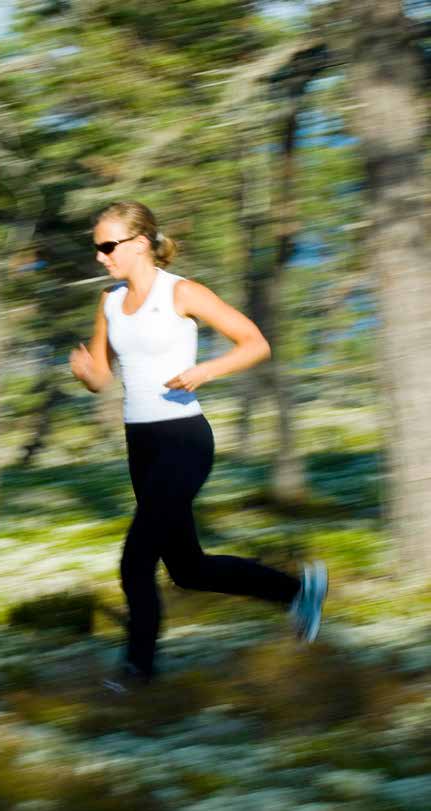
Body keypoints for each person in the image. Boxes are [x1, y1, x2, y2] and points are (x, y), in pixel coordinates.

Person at [70, 200, 327, 692]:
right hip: (140, 444)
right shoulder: (107, 303)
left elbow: (254, 342)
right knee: (187, 569)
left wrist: (204, 371)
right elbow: (102, 377)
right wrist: (85, 374)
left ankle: (136, 673)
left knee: (135, 559)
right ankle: (298, 590)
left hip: (184, 440)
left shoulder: (182, 292)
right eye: (97, 248)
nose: (101, 257)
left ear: (139, 243)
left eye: (107, 246)